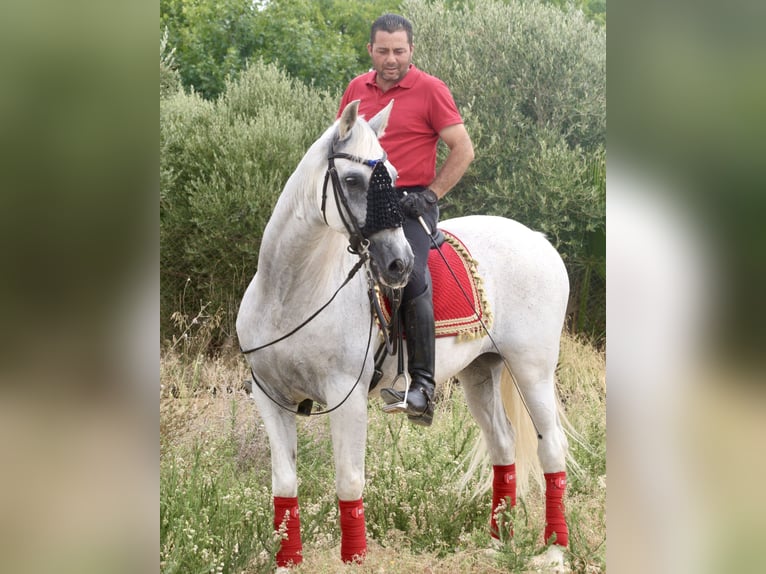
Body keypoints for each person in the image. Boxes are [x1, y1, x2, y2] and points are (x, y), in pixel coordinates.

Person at [338, 13, 474, 426]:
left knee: (410, 276)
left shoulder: (431, 90)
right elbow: (339, 145)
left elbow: (463, 149)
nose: (391, 58)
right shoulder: (355, 90)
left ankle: (422, 386)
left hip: (411, 201)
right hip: (364, 200)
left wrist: (430, 195)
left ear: (411, 50)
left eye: (399, 51)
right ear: (370, 51)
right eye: (383, 51)